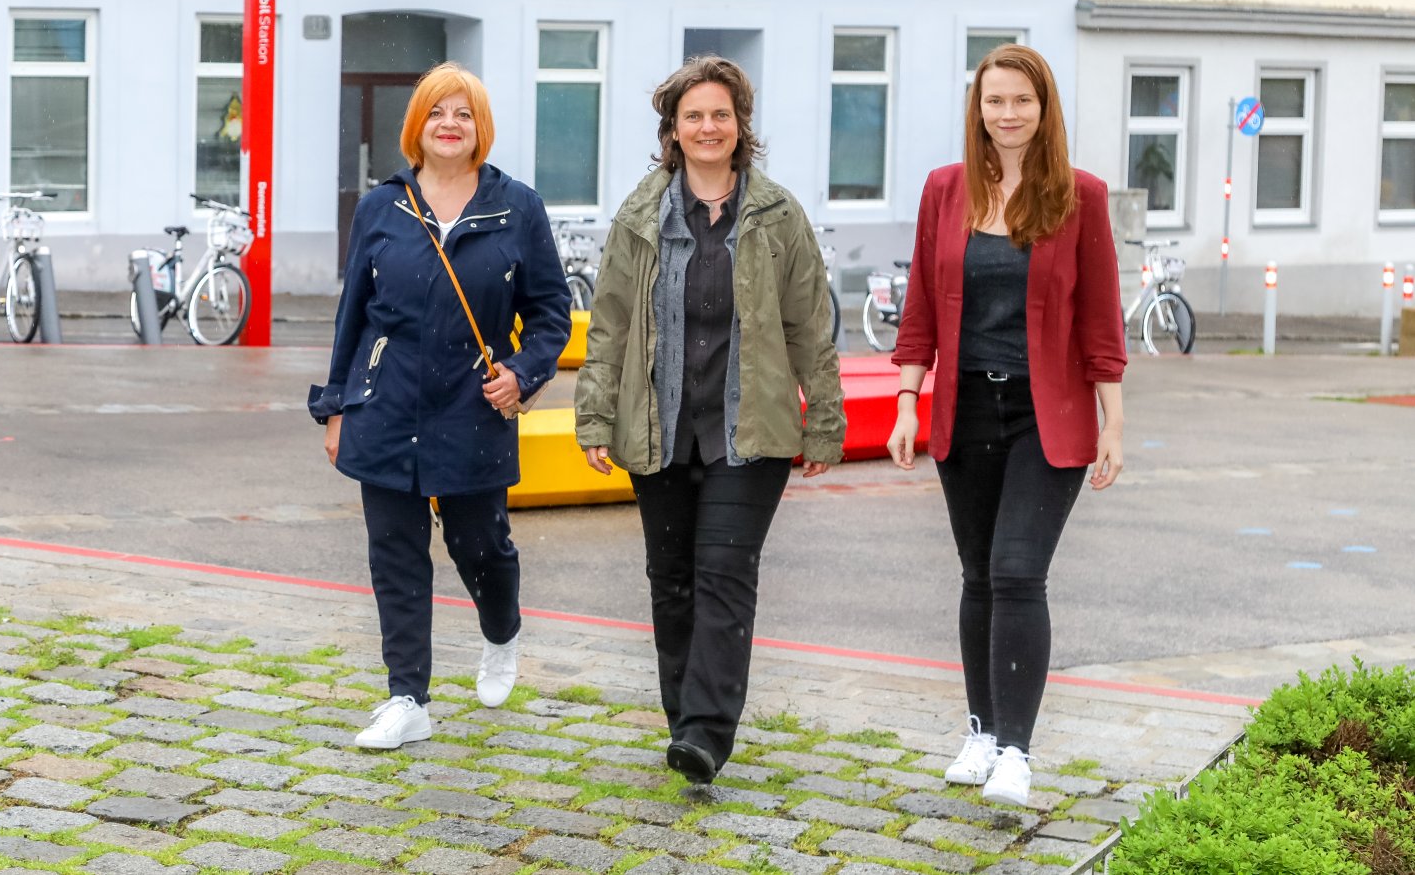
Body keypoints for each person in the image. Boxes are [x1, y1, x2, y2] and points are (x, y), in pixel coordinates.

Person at [574, 55, 846, 786]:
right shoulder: (640, 216)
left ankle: (706, 731)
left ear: (740, 125)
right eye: (693, 115)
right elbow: (608, 326)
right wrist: (595, 418)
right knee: (671, 580)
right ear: (673, 129)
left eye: (720, 114)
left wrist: (824, 420)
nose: (707, 126)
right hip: (658, 426)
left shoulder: (778, 217)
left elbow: (809, 329)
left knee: (723, 572)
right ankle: (684, 721)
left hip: (746, 433)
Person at [886, 43, 1127, 806]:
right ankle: (982, 732)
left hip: (1044, 414)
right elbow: (921, 303)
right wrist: (904, 400)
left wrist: (1113, 422)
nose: (1008, 113)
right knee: (979, 575)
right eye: (995, 101)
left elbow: (1100, 322)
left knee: (1019, 571)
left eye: (1022, 99)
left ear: (1044, 106)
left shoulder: (1080, 196)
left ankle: (1017, 751)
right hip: (965, 409)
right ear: (978, 107)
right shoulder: (944, 190)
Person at [309, 62, 572, 750]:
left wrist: (522, 372)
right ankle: (408, 697)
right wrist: (338, 405)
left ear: (479, 127)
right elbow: (353, 315)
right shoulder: (381, 207)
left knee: (478, 544)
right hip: (385, 402)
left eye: (463, 113)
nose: (449, 124)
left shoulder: (517, 206)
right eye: (436, 112)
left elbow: (551, 314)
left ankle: (501, 628)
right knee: (394, 550)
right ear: (416, 126)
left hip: (473, 405)